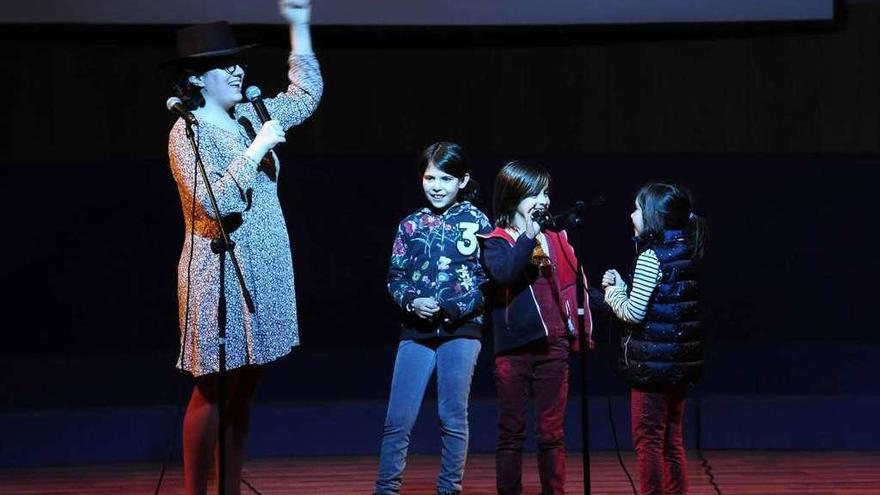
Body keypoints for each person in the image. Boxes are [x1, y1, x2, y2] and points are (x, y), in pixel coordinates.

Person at [163, 2, 322, 493]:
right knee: (213, 385)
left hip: (265, 267)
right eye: (224, 64)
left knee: (247, 385)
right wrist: (255, 151)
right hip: (219, 272)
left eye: (239, 62)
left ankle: (230, 489)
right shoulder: (187, 134)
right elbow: (218, 203)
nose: (237, 71)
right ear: (197, 78)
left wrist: (298, 25)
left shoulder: (253, 115)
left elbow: (305, 95)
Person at [374, 142, 492, 495]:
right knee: (398, 419)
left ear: (463, 180)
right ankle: (386, 489)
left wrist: (452, 308)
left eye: (445, 178)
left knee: (452, 416)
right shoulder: (410, 225)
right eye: (429, 177)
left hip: (462, 331)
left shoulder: (477, 221)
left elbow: (488, 278)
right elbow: (395, 278)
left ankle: (449, 489)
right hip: (416, 331)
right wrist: (413, 302)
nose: (436, 185)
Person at [479, 160, 593, 495]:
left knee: (551, 433)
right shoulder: (495, 239)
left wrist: (613, 296)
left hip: (553, 347)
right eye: (534, 193)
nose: (543, 200)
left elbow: (574, 287)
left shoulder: (557, 238)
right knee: (511, 432)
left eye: (545, 192)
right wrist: (528, 236)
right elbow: (505, 274)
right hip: (513, 351)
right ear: (514, 196)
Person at [602, 183, 707, 495]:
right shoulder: (686, 249)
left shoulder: (651, 256)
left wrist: (612, 292)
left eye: (637, 209)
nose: (631, 215)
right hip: (678, 366)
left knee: (648, 440)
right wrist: (624, 285)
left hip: (653, 367)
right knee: (672, 440)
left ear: (653, 217)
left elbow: (634, 312)